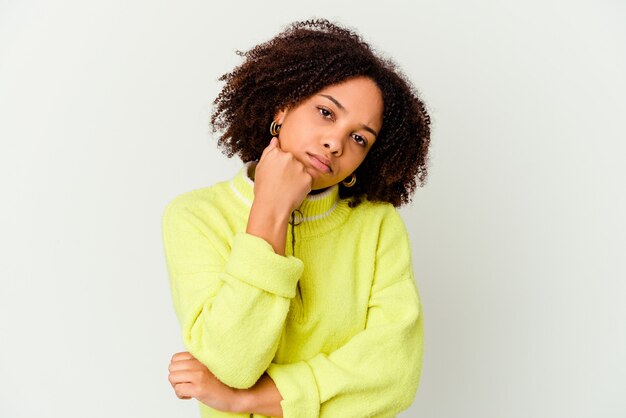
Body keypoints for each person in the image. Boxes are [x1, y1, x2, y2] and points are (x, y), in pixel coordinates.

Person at [162, 19, 431, 418]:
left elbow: (394, 375)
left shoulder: (377, 226)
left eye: (360, 138)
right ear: (283, 107)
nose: (336, 142)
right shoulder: (195, 216)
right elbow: (231, 363)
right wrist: (269, 209)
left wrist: (246, 401)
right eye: (326, 112)